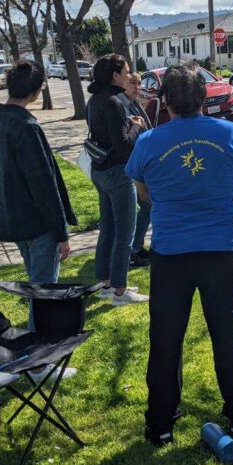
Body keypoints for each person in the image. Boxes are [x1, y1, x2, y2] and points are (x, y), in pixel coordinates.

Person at [125, 61, 233, 446]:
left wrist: (173, 204)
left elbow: (143, 193)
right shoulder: (230, 134)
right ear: (203, 98)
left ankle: (161, 424)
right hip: (219, 250)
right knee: (227, 334)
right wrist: (216, 203)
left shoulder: (148, 142)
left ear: (165, 101)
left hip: (171, 253)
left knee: (166, 338)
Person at [0, 61, 75, 326]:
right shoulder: (26, 127)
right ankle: (39, 348)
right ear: (35, 92)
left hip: (13, 219)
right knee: (44, 292)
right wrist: (61, 233)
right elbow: (43, 184)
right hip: (37, 224)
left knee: (36, 286)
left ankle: (36, 337)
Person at [86, 54, 148, 305]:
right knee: (125, 233)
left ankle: (106, 283)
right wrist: (137, 126)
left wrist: (128, 125)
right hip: (117, 174)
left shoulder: (95, 99)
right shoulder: (113, 102)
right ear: (115, 76)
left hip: (100, 171)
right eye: (126, 71)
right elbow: (124, 146)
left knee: (108, 229)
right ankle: (120, 291)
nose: (130, 75)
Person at [119, 69, 153, 268]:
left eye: (139, 83)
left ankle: (136, 247)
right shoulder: (119, 105)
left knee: (147, 205)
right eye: (133, 83)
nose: (137, 87)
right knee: (144, 206)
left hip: (141, 162)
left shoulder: (134, 103)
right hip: (129, 166)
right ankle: (132, 251)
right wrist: (137, 126)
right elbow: (126, 139)